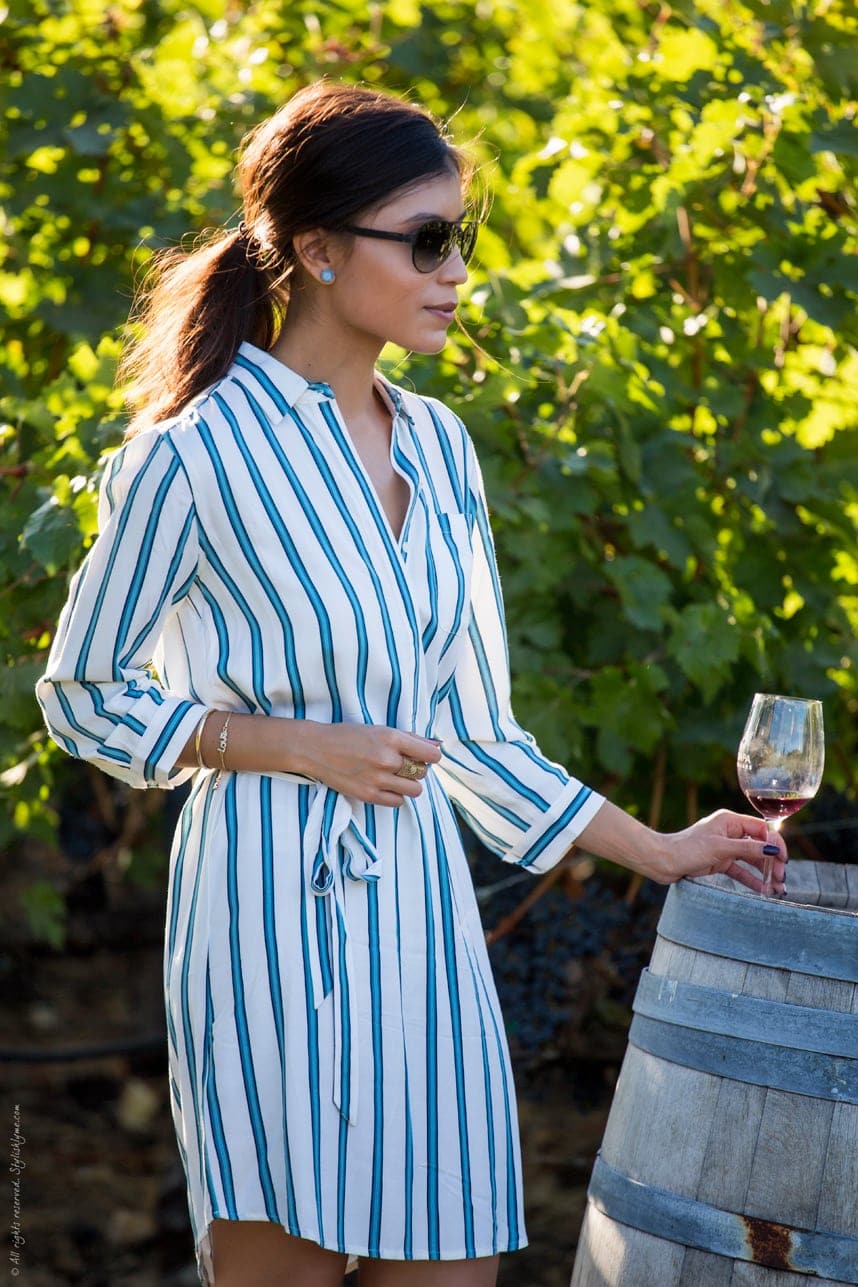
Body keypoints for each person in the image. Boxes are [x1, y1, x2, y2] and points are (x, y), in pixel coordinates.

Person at [35, 81, 785, 1287]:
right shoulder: (190, 456)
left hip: (420, 918)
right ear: (319, 251)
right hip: (265, 911)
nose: (452, 271)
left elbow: (473, 730)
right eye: (425, 240)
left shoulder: (441, 447)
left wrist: (660, 846)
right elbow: (80, 694)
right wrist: (284, 742)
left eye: (460, 240)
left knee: (449, 1262)